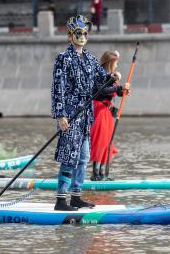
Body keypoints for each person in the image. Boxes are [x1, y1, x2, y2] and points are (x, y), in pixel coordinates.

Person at [51, 14, 121, 211]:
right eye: (78, 33)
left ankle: (76, 196)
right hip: (71, 114)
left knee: (83, 157)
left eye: (85, 33)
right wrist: (61, 115)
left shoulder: (90, 58)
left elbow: (101, 82)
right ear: (70, 36)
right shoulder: (63, 59)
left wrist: (114, 81)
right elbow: (58, 88)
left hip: (86, 116)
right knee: (69, 156)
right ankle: (60, 199)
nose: (82, 36)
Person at [89, 51, 130, 181]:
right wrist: (118, 87)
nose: (117, 65)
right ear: (111, 62)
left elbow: (114, 91)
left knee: (107, 142)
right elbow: (101, 90)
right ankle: (95, 174)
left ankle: (102, 173)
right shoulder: (100, 73)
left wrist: (123, 90)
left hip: (106, 110)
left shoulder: (111, 76)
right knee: (100, 141)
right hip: (98, 109)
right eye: (116, 63)